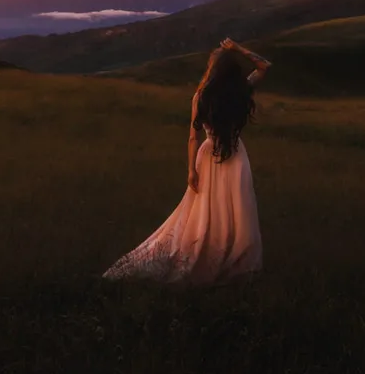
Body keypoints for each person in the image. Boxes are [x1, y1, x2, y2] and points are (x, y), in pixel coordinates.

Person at [102, 37, 270, 286]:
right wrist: (239, 49)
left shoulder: (201, 96)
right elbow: (264, 65)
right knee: (236, 211)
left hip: (208, 155)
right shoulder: (241, 91)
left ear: (212, 70)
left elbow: (193, 137)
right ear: (234, 72)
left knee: (206, 211)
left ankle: (210, 254)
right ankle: (233, 261)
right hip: (236, 157)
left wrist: (191, 169)